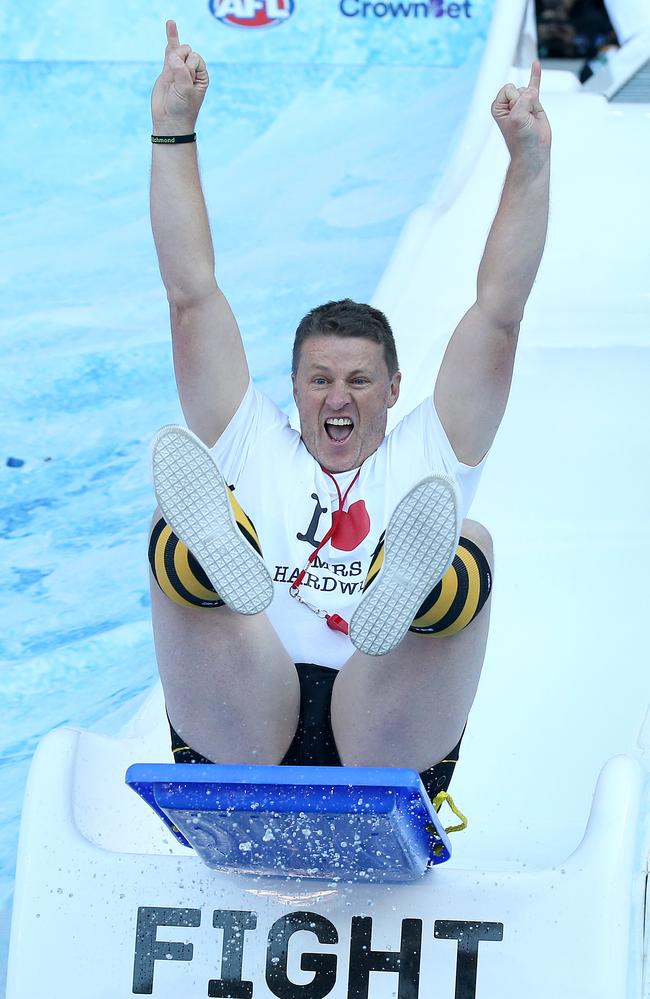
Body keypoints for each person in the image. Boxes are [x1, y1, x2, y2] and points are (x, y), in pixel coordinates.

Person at [147, 20, 551, 806]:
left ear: (397, 388)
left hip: (385, 729)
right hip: (243, 720)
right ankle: (208, 561)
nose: (338, 398)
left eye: (361, 381)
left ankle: (417, 585)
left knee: (469, 540)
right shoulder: (250, 444)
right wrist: (172, 131)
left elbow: (500, 313)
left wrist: (528, 165)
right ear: (291, 389)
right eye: (320, 380)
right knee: (177, 524)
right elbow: (190, 294)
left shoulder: (430, 452)